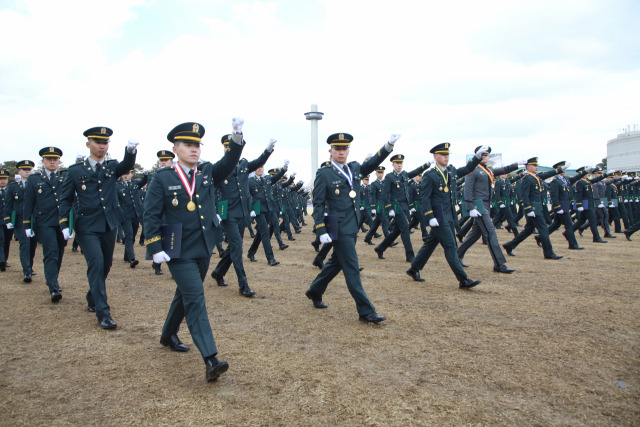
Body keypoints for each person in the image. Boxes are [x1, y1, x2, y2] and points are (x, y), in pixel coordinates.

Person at [145, 119, 245, 382]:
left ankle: (167, 334)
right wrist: (155, 247)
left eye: (197, 145)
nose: (194, 149)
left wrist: (236, 138)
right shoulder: (162, 178)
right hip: (175, 248)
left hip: (202, 245)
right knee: (196, 296)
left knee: (185, 294)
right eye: (188, 145)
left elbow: (229, 162)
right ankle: (211, 358)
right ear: (175, 149)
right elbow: (151, 216)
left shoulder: (207, 172)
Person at [305, 132, 399, 323]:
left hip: (352, 224)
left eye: (344, 148)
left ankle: (315, 291)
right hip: (336, 225)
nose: (341, 152)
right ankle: (366, 311)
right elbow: (319, 203)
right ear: (330, 151)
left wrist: (388, 146)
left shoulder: (354, 168)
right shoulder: (324, 173)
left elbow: (372, 164)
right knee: (351, 267)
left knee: (336, 262)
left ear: (348, 150)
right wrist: (321, 229)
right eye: (337, 149)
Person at [58, 126, 138, 329]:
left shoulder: (112, 167)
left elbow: (127, 165)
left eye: (105, 143)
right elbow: (65, 200)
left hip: (109, 223)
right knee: (96, 263)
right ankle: (103, 313)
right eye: (98, 142)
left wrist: (130, 151)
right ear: (88, 144)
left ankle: (92, 295)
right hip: (86, 225)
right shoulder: (75, 171)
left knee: (106, 265)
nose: (102, 146)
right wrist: (64, 223)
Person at [405, 143, 484, 288]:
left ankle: (413, 268)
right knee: (450, 246)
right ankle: (463, 280)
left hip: (449, 214)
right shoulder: (430, 175)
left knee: (430, 243)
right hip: (438, 215)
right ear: (435, 157)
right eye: (443, 154)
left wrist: (477, 157)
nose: (446, 157)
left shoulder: (450, 171)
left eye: (447, 154)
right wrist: (430, 216)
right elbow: (425, 198)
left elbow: (467, 169)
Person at [210, 136, 275, 296]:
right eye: (226, 147)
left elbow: (259, 161)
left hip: (242, 213)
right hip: (227, 214)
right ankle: (243, 284)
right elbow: (212, 192)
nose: (228, 150)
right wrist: (216, 212)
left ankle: (218, 272)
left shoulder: (245, 164)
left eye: (231, 147)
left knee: (234, 247)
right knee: (237, 247)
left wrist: (268, 150)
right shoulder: (219, 167)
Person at [456, 147, 522, 273]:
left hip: (486, 204)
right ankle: (499, 264)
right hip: (478, 205)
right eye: (483, 155)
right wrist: (470, 206)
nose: (486, 157)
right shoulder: (473, 169)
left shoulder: (488, 170)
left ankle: (457, 255)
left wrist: (515, 165)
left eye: (487, 155)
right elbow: (468, 189)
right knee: (491, 231)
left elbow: (503, 170)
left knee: (476, 233)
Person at [22, 147, 67, 302]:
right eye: (49, 159)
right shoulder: (34, 180)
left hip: (61, 222)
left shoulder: (64, 177)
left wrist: (71, 224)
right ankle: (53, 287)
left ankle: (53, 279)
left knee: (60, 252)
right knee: (51, 251)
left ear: (59, 161)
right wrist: (27, 224)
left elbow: (71, 201)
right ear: (43, 161)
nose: (52, 162)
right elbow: (28, 203)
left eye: (55, 159)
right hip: (44, 222)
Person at [502, 158, 565, 259]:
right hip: (533, 208)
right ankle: (549, 253)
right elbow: (524, 195)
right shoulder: (527, 178)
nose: (536, 167)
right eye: (534, 165)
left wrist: (559, 169)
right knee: (544, 229)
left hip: (537, 207)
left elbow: (546, 175)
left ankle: (509, 245)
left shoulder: (535, 177)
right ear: (528, 166)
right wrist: (528, 209)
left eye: (537, 165)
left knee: (528, 230)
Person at [374, 155, 431, 262]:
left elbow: (415, 171)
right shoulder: (389, 177)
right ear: (393, 164)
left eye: (401, 163)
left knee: (396, 231)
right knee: (405, 228)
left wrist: (426, 165)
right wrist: (389, 208)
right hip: (396, 206)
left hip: (404, 206)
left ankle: (380, 248)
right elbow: (385, 195)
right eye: (397, 163)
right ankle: (410, 256)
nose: (399, 165)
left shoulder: (404, 175)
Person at [246, 160, 289, 264]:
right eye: (258, 167)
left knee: (262, 232)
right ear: (254, 169)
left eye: (261, 166)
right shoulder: (250, 181)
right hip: (258, 210)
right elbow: (247, 196)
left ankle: (251, 252)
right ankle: (270, 258)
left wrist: (283, 169)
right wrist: (251, 210)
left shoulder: (267, 179)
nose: (260, 168)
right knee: (265, 232)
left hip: (269, 208)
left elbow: (276, 177)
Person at [5, 160, 38, 282]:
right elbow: (8, 204)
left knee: (32, 245)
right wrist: (7, 219)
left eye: (29, 170)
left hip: (34, 219)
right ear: (19, 172)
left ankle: (30, 265)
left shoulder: (36, 184)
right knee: (25, 244)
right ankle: (27, 271)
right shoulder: (13, 187)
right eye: (24, 170)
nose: (27, 172)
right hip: (20, 220)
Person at [547, 163, 589, 249]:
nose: (564, 170)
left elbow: (576, 178)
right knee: (569, 224)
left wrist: (585, 171)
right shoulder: (555, 181)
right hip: (561, 205)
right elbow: (554, 196)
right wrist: (557, 207)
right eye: (562, 168)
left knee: (556, 224)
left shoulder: (565, 179)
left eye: (564, 168)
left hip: (566, 204)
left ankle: (540, 237)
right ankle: (573, 244)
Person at [117, 170, 148, 268]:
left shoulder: (135, 184)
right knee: (129, 235)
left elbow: (143, 182)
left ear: (131, 174)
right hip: (125, 215)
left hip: (135, 214)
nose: (125, 176)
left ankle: (126, 256)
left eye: (127, 174)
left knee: (133, 235)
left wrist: (146, 176)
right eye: (124, 174)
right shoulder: (118, 186)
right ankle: (132, 259)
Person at [0, 169, 11, 272]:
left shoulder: (10, 191)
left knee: (7, 241)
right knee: (1, 240)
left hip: (8, 221)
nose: (2, 181)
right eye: (0, 179)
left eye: (4, 179)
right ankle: (1, 261)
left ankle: (5, 259)